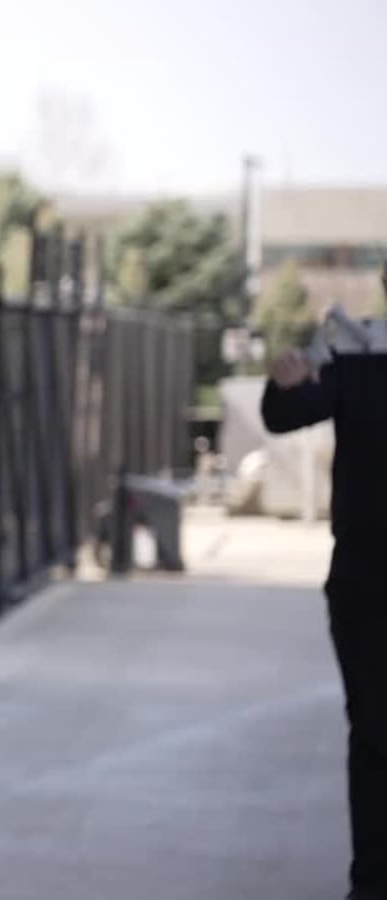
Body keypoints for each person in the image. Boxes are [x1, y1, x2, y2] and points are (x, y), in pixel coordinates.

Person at [262, 323, 387, 900]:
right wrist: (284, 382)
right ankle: (371, 881)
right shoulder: (362, 357)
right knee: (375, 734)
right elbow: (286, 412)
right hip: (368, 583)